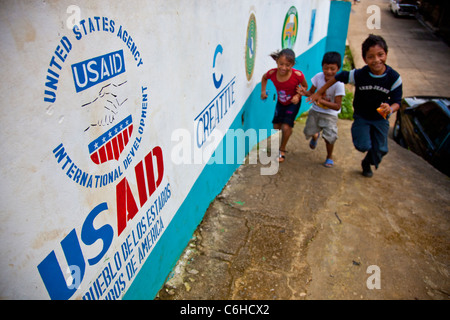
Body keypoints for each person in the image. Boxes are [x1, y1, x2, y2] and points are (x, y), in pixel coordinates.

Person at [307, 34, 402, 177]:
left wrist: (391, 108)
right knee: (363, 145)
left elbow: (397, 102)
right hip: (362, 116)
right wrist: (319, 92)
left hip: (381, 118)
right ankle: (363, 135)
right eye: (371, 57)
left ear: (386, 54)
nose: (376, 60)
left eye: (380, 55)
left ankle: (367, 163)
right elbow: (338, 77)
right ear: (364, 59)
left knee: (381, 149)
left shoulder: (394, 78)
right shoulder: (359, 74)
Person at [297, 52, 345, 168]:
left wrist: (321, 101)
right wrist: (304, 93)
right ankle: (315, 136)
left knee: (330, 137)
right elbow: (311, 93)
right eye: (326, 68)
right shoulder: (318, 77)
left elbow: (337, 106)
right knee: (308, 131)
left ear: (338, 69)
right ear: (322, 67)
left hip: (330, 115)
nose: (329, 71)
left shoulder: (339, 84)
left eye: (332, 69)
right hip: (315, 111)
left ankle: (329, 157)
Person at [261, 48, 308, 162]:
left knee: (285, 127)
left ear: (292, 64)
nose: (283, 67)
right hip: (281, 103)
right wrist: (263, 91)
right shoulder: (272, 73)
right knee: (276, 127)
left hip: (293, 103)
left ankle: (282, 150)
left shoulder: (298, 75)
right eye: (281, 64)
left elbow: (305, 87)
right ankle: (289, 126)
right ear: (277, 61)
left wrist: (298, 96)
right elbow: (264, 78)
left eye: (287, 65)